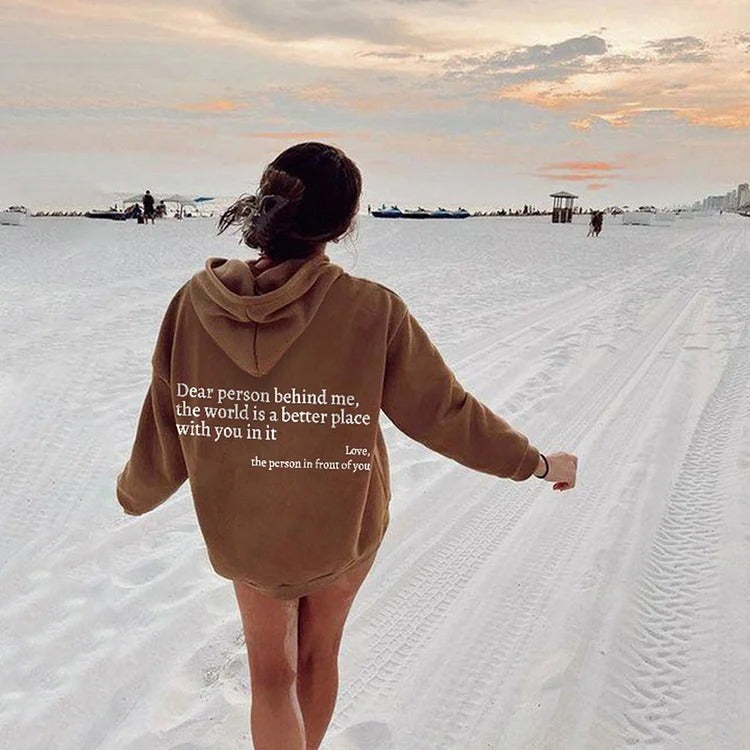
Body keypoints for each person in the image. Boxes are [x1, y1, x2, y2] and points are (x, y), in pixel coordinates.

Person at [115, 141, 578, 750]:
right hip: (341, 527)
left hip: (243, 533)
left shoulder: (192, 306)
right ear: (344, 224)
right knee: (315, 658)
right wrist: (538, 464)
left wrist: (135, 492)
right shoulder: (371, 309)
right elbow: (445, 414)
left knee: (270, 679)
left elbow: (165, 420)